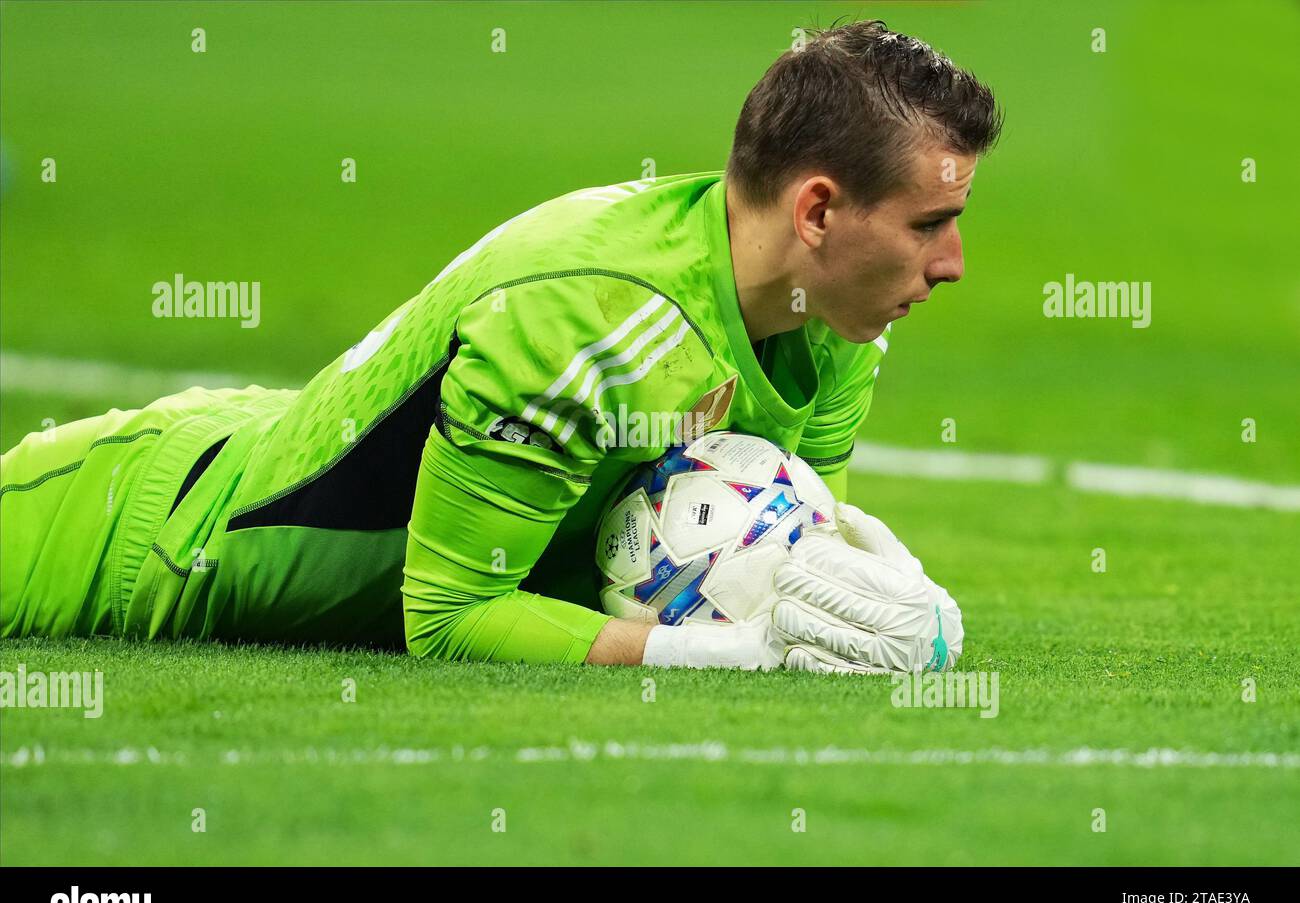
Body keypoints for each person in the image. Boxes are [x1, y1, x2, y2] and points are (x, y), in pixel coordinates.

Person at [1, 19, 1000, 672]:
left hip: (223, 464)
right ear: (817, 211)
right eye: (926, 224)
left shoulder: (833, 328)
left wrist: (911, 610)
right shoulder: (588, 319)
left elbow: (780, 556)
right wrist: (747, 655)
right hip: (117, 543)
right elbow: (447, 616)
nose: (951, 261)